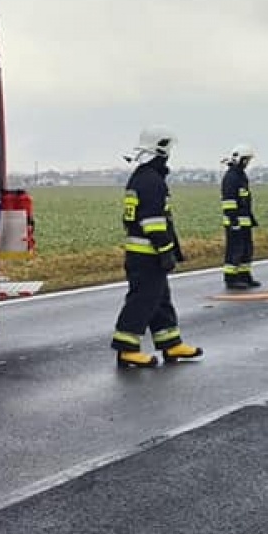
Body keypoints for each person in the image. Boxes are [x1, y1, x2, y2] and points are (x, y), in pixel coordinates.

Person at [111, 126, 203, 368]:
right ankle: (127, 349)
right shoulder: (152, 182)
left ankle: (171, 344)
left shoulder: (141, 177)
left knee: (160, 300)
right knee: (142, 300)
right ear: (161, 151)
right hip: (147, 254)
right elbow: (153, 222)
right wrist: (165, 251)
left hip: (142, 253)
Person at [220, 143, 261, 289]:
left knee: (246, 250)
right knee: (234, 250)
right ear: (241, 159)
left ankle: (244, 276)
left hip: (244, 221)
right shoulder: (231, 177)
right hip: (235, 221)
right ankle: (231, 278)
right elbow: (229, 202)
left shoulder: (240, 175)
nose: (248, 163)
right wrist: (234, 221)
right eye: (247, 160)